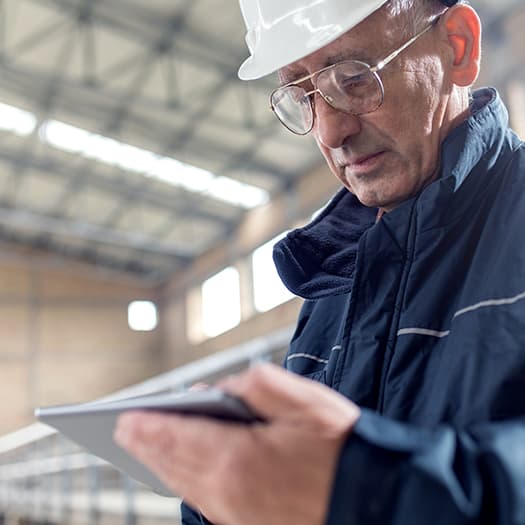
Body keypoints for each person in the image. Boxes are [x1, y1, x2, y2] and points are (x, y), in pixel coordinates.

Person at [114, 0, 525, 523]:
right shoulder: (334, 283)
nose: (330, 134)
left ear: (458, 46)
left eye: (354, 78)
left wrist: (367, 492)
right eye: (302, 95)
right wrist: (224, 491)